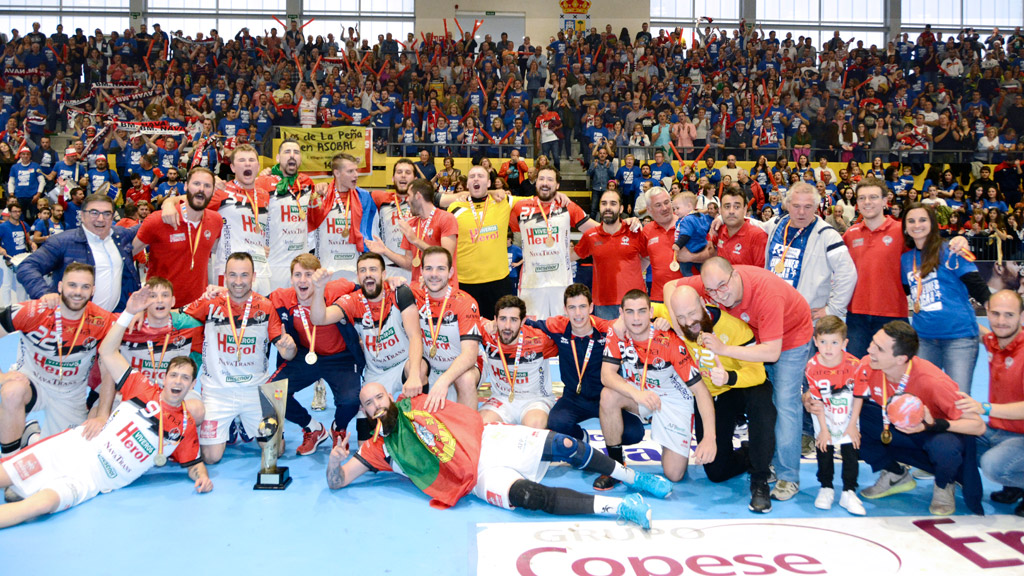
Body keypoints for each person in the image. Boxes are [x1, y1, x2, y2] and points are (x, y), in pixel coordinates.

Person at [325, 381, 667, 530]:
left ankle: (634, 478)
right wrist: (333, 462)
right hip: (475, 478)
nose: (376, 405)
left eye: (379, 398)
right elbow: (338, 481)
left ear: (389, 396)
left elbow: (452, 398)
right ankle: (622, 508)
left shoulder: (415, 403)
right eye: (368, 404)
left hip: (490, 441)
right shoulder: (377, 448)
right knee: (530, 496)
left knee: (566, 446)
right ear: (364, 412)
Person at [0, 294, 211, 529]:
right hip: (73, 449)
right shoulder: (140, 386)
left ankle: (33, 440)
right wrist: (129, 313)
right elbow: (108, 352)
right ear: (164, 378)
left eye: (185, 378)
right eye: (174, 375)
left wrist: (202, 477)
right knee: (4, 476)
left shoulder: (185, 425)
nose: (178, 382)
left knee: (41, 505)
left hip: (91, 481)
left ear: (193, 384)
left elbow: (194, 464)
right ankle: (32, 441)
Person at [667, 257, 813, 502]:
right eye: (711, 291)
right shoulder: (713, 281)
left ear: (735, 276)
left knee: (783, 402)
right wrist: (677, 321)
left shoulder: (767, 295)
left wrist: (724, 349)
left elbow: (772, 353)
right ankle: (761, 455)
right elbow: (670, 286)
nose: (719, 295)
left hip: (788, 339)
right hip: (751, 334)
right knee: (751, 394)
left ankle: (788, 475)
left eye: (722, 287)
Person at [855, 321, 985, 516]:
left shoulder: (932, 381)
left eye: (879, 348)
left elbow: (978, 426)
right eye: (873, 342)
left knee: (945, 448)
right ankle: (895, 474)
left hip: (935, 434)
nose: (869, 349)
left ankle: (944, 484)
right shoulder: (869, 365)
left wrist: (933, 425)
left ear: (900, 359)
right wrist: (811, 398)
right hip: (898, 428)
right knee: (852, 420)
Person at [665, 285, 775, 513]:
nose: (689, 322)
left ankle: (760, 479)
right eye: (681, 317)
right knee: (716, 471)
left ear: (703, 303)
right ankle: (748, 453)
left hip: (741, 386)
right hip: (712, 397)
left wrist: (729, 377)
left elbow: (758, 373)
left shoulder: (735, 328)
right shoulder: (678, 322)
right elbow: (639, 309)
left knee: (762, 399)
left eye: (692, 313)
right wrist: (639, 321)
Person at [181, 252, 291, 464]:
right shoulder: (210, 303)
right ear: (224, 276)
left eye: (244, 275)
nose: (238, 281)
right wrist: (140, 312)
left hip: (255, 391)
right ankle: (232, 423)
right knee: (210, 458)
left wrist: (290, 348)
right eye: (233, 275)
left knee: (276, 450)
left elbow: (287, 353)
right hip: (218, 391)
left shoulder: (266, 306)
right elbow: (174, 318)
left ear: (254, 276)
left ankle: (243, 422)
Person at [599, 290, 717, 485]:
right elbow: (606, 375)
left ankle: (668, 436)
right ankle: (616, 466)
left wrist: (710, 437)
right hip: (640, 393)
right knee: (608, 395)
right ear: (621, 313)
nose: (636, 319)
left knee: (674, 474)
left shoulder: (670, 341)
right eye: (629, 312)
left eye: (642, 311)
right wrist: (636, 394)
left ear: (651, 312)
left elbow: (701, 391)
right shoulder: (617, 332)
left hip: (672, 399)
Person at [0, 263, 114, 456]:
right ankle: (8, 461)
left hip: (70, 394)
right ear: (60, 286)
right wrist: (2, 377)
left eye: (85, 287)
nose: (78, 292)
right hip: (32, 382)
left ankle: (31, 437)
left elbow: (109, 369)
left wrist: (103, 415)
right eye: (72, 285)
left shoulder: (103, 321)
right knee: (12, 392)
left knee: (70, 456)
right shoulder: (33, 311)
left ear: (93, 290)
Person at [310, 252, 425, 443]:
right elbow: (318, 318)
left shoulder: (399, 293)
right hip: (375, 373)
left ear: (383, 274)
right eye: (363, 270)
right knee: (364, 443)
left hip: (403, 364)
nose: (368, 274)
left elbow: (415, 336)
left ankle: (421, 428)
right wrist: (319, 289)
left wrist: (413, 375)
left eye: (373, 269)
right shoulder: (353, 301)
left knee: (420, 369)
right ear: (357, 276)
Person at [268, 253, 366, 454]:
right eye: (298, 275)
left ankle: (338, 428)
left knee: (351, 401)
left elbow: (369, 290)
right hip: (306, 356)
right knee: (273, 393)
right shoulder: (281, 297)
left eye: (309, 275)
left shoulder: (337, 288)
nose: (303, 280)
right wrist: (221, 292)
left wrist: (392, 282)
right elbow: (251, 300)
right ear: (291, 278)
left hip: (341, 357)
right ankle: (312, 428)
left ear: (318, 277)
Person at [901, 203, 989, 393]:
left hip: (959, 339)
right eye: (911, 221)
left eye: (923, 220)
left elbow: (978, 287)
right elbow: (904, 291)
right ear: (905, 227)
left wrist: (1001, 314)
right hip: (924, 340)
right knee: (925, 397)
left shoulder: (950, 250)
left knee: (958, 399)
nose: (917, 225)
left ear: (932, 224)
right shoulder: (906, 260)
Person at [955, 290, 1024, 517]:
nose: (1001, 321)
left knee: (994, 465)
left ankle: (1016, 480)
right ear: (987, 312)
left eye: (1009, 315)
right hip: (998, 430)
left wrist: (984, 407)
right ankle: (1016, 486)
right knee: (956, 442)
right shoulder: (995, 341)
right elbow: (981, 331)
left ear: (1022, 316)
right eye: (995, 314)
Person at [18, 194, 139, 312]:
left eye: (107, 214)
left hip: (112, 318)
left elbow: (144, 226)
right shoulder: (63, 242)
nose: (101, 219)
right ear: (82, 215)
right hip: (73, 320)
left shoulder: (119, 236)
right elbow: (27, 266)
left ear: (113, 216)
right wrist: (44, 293)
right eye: (94, 213)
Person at [509, 167, 595, 318]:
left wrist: (579, 252)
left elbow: (595, 230)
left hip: (561, 282)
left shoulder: (567, 206)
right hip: (531, 284)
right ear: (536, 182)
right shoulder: (520, 207)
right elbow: (495, 198)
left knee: (562, 327)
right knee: (532, 329)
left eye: (550, 180)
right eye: (541, 179)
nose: (545, 183)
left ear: (557, 185)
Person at [134, 167, 221, 308]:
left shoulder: (216, 221)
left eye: (207, 185)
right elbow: (128, 254)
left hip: (196, 308)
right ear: (185, 186)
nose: (201, 189)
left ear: (212, 190)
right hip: (160, 308)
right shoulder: (158, 220)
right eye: (196, 184)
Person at [805, 315, 866, 515]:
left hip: (849, 415)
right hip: (824, 415)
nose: (828, 348)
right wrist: (824, 429)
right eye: (823, 342)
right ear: (815, 342)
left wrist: (853, 424)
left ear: (844, 343)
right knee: (824, 448)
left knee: (851, 449)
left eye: (834, 342)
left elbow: (858, 396)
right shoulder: (812, 367)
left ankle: (849, 491)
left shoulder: (855, 365)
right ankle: (826, 487)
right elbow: (816, 401)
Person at [412, 246, 481, 411]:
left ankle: (466, 426)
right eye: (429, 268)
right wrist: (391, 281)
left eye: (441, 269)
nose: (434, 274)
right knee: (413, 368)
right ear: (421, 271)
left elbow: (470, 355)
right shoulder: (412, 295)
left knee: (465, 379)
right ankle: (418, 419)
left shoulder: (465, 302)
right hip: (431, 367)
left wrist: (444, 380)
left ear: (450, 272)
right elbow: (376, 290)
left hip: (462, 367)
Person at [478, 295, 559, 427]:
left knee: (535, 426)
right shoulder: (487, 333)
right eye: (503, 319)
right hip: (501, 398)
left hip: (535, 400)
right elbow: (466, 319)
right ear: (495, 319)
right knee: (481, 425)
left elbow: (568, 339)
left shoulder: (540, 339)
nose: (507, 326)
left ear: (522, 322)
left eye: (514, 320)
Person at [448, 165, 516, 318]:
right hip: (466, 283)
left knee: (499, 328)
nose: (476, 179)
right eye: (472, 176)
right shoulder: (455, 207)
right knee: (468, 329)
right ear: (467, 184)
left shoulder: (502, 201)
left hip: (498, 281)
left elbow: (533, 201)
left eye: (481, 176)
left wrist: (559, 195)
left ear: (489, 183)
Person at [365, 178, 457, 287]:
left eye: (409, 195)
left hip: (442, 288)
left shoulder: (446, 218)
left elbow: (446, 257)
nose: (407, 200)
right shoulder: (411, 224)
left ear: (418, 195)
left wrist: (415, 240)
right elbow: (409, 264)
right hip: (418, 288)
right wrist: (385, 250)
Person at [573, 190, 647, 320]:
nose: (608, 207)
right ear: (599, 207)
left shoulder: (634, 231)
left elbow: (647, 257)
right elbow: (571, 256)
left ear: (621, 208)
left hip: (635, 302)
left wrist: (632, 274)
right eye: (604, 203)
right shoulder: (590, 235)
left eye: (613, 203)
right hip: (603, 305)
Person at [308, 153, 378, 283]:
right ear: (337, 173)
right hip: (325, 270)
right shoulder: (321, 195)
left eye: (356, 170)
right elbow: (309, 231)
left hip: (355, 270)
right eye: (350, 171)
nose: (356, 175)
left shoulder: (364, 197)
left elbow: (371, 233)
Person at [260, 139, 317, 291]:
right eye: (287, 152)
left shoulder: (307, 183)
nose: (292, 155)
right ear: (278, 158)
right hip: (273, 263)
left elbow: (314, 218)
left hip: (300, 265)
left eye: (296, 152)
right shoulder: (264, 182)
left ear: (300, 159)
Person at [713, 186, 767, 267]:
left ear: (745, 210)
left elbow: (761, 272)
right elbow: (709, 250)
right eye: (727, 207)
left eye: (736, 207)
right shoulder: (719, 230)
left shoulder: (758, 236)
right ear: (720, 210)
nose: (731, 211)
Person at [0, 202, 34, 306]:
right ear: (10, 213)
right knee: (7, 283)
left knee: (21, 284)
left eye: (19, 211)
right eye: (14, 211)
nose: (17, 213)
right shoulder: (3, 226)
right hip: (9, 258)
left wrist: (32, 243)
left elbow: (27, 239)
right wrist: (1, 249)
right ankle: (7, 307)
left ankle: (21, 306)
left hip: (22, 258)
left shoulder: (24, 224)